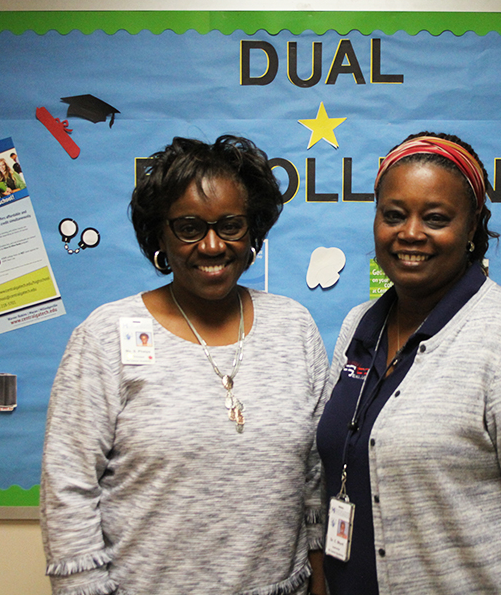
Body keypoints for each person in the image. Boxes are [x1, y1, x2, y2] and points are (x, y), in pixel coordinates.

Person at [41, 135, 329, 595]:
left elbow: (315, 475)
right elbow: (68, 487)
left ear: (252, 232)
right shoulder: (106, 334)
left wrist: (320, 579)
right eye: (190, 227)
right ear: (160, 235)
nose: (212, 246)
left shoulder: (293, 326)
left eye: (230, 225)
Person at [317, 132, 501, 595]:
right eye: (393, 215)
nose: (410, 233)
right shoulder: (358, 325)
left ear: (472, 229)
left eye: (436, 218)